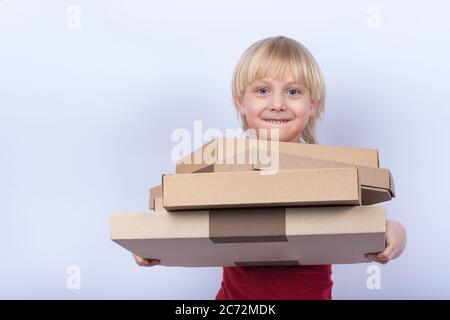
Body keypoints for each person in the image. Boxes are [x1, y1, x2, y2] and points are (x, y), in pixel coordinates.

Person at [134, 36, 407, 300]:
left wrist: (395, 233)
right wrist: (148, 245)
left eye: (293, 92)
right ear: (241, 102)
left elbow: (372, 221)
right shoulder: (229, 164)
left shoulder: (327, 170)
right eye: (263, 91)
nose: (277, 104)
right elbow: (179, 215)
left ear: (313, 104)